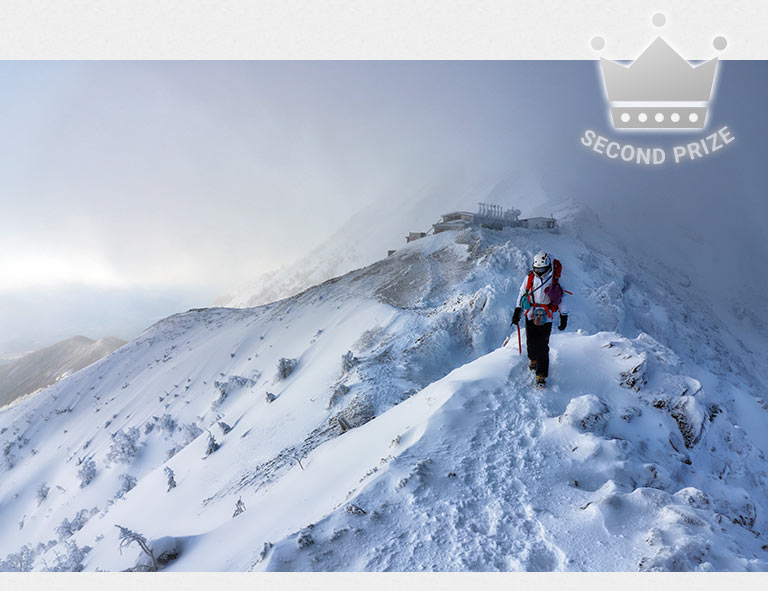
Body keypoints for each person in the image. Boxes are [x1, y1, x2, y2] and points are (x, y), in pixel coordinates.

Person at [511, 250, 568, 387]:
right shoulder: (529, 278)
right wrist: (517, 309)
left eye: (542, 268)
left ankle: (541, 376)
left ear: (548, 267)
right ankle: (533, 360)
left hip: (546, 318)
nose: (539, 271)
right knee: (531, 342)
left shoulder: (554, 279)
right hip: (531, 314)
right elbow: (522, 293)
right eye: (537, 268)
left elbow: (560, 299)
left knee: (542, 346)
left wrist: (563, 315)